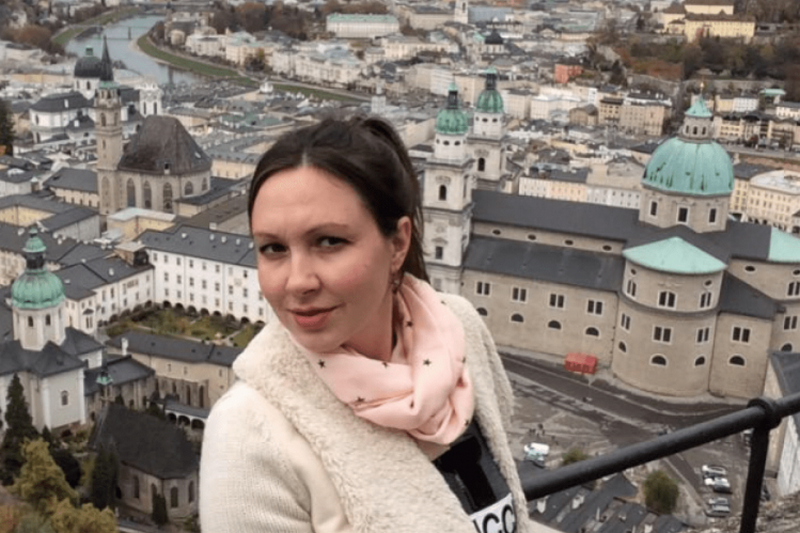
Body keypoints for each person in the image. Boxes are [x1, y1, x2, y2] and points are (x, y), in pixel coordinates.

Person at [199, 116, 532, 533]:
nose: (298, 281)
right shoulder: (250, 434)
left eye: (329, 241)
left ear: (398, 244)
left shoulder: (459, 330)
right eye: (273, 248)